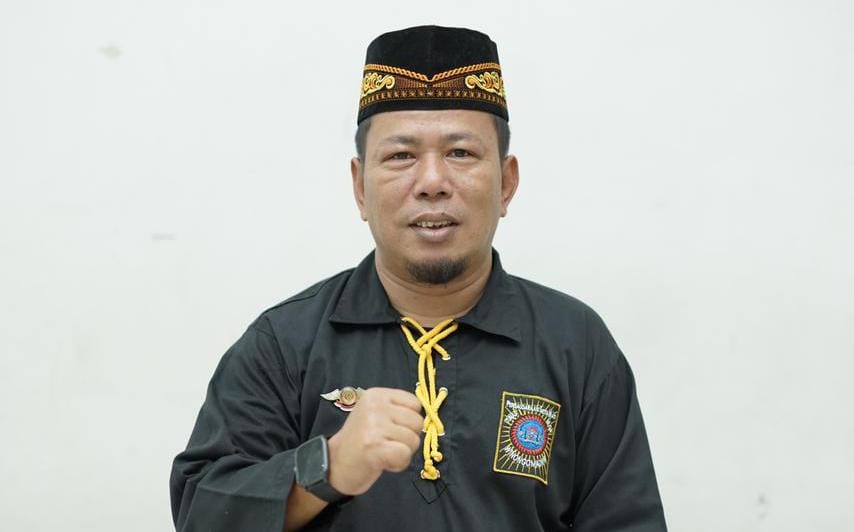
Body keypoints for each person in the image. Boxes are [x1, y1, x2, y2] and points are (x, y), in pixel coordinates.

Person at [170, 25, 667, 532]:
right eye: (401, 156)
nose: (432, 182)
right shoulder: (285, 345)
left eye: (461, 153)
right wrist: (325, 468)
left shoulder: (576, 345)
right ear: (360, 188)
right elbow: (200, 515)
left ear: (507, 183)